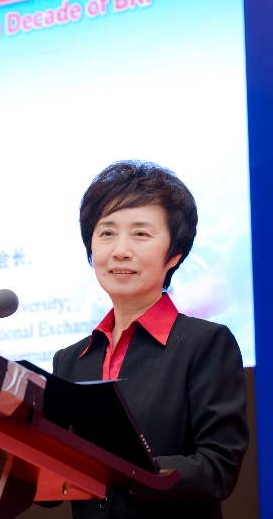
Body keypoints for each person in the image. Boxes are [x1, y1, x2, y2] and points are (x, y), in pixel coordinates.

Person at [52, 160, 248, 518]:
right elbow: (50, 480)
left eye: (140, 234)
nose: (120, 250)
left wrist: (124, 470)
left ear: (174, 254)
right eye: (106, 233)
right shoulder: (69, 360)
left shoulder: (206, 344)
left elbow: (218, 467)